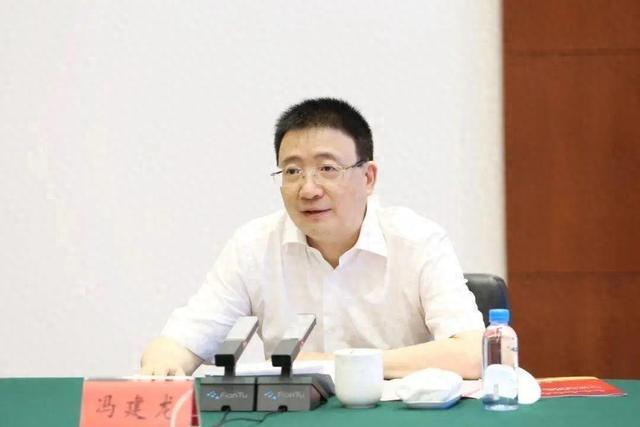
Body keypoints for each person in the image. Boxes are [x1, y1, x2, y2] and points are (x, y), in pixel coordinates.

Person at [140, 98, 485, 379]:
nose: (308, 189)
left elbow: (473, 353)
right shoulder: (253, 246)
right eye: (292, 171)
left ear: (368, 177)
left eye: (327, 169)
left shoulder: (417, 241)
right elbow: (184, 338)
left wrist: (335, 364)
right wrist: (161, 365)